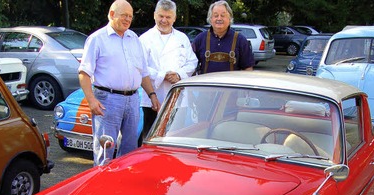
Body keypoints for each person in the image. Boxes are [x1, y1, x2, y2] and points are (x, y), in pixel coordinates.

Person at [78, 0, 160, 165]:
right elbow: (84, 73)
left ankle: (123, 186)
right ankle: (102, 187)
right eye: (124, 15)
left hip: (133, 100)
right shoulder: (97, 39)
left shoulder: (134, 39)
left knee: (130, 149)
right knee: (105, 150)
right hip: (108, 100)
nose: (128, 19)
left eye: (130, 16)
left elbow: (143, 73)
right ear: (111, 14)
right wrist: (91, 100)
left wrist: (152, 95)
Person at [138, 0, 197, 146]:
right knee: (152, 138)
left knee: (174, 138)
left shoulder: (182, 38)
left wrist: (178, 75)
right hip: (153, 96)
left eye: (168, 17)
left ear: (174, 18)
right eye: (161, 16)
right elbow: (140, 66)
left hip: (178, 96)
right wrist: (162, 75)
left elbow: (192, 62)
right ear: (154, 15)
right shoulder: (144, 39)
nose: (164, 20)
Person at [191, 1, 254, 74]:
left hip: (230, 84)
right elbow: (191, 65)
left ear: (229, 18)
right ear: (210, 19)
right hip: (206, 85)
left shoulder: (240, 40)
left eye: (223, 15)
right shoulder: (200, 39)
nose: (219, 18)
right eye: (216, 15)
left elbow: (248, 69)